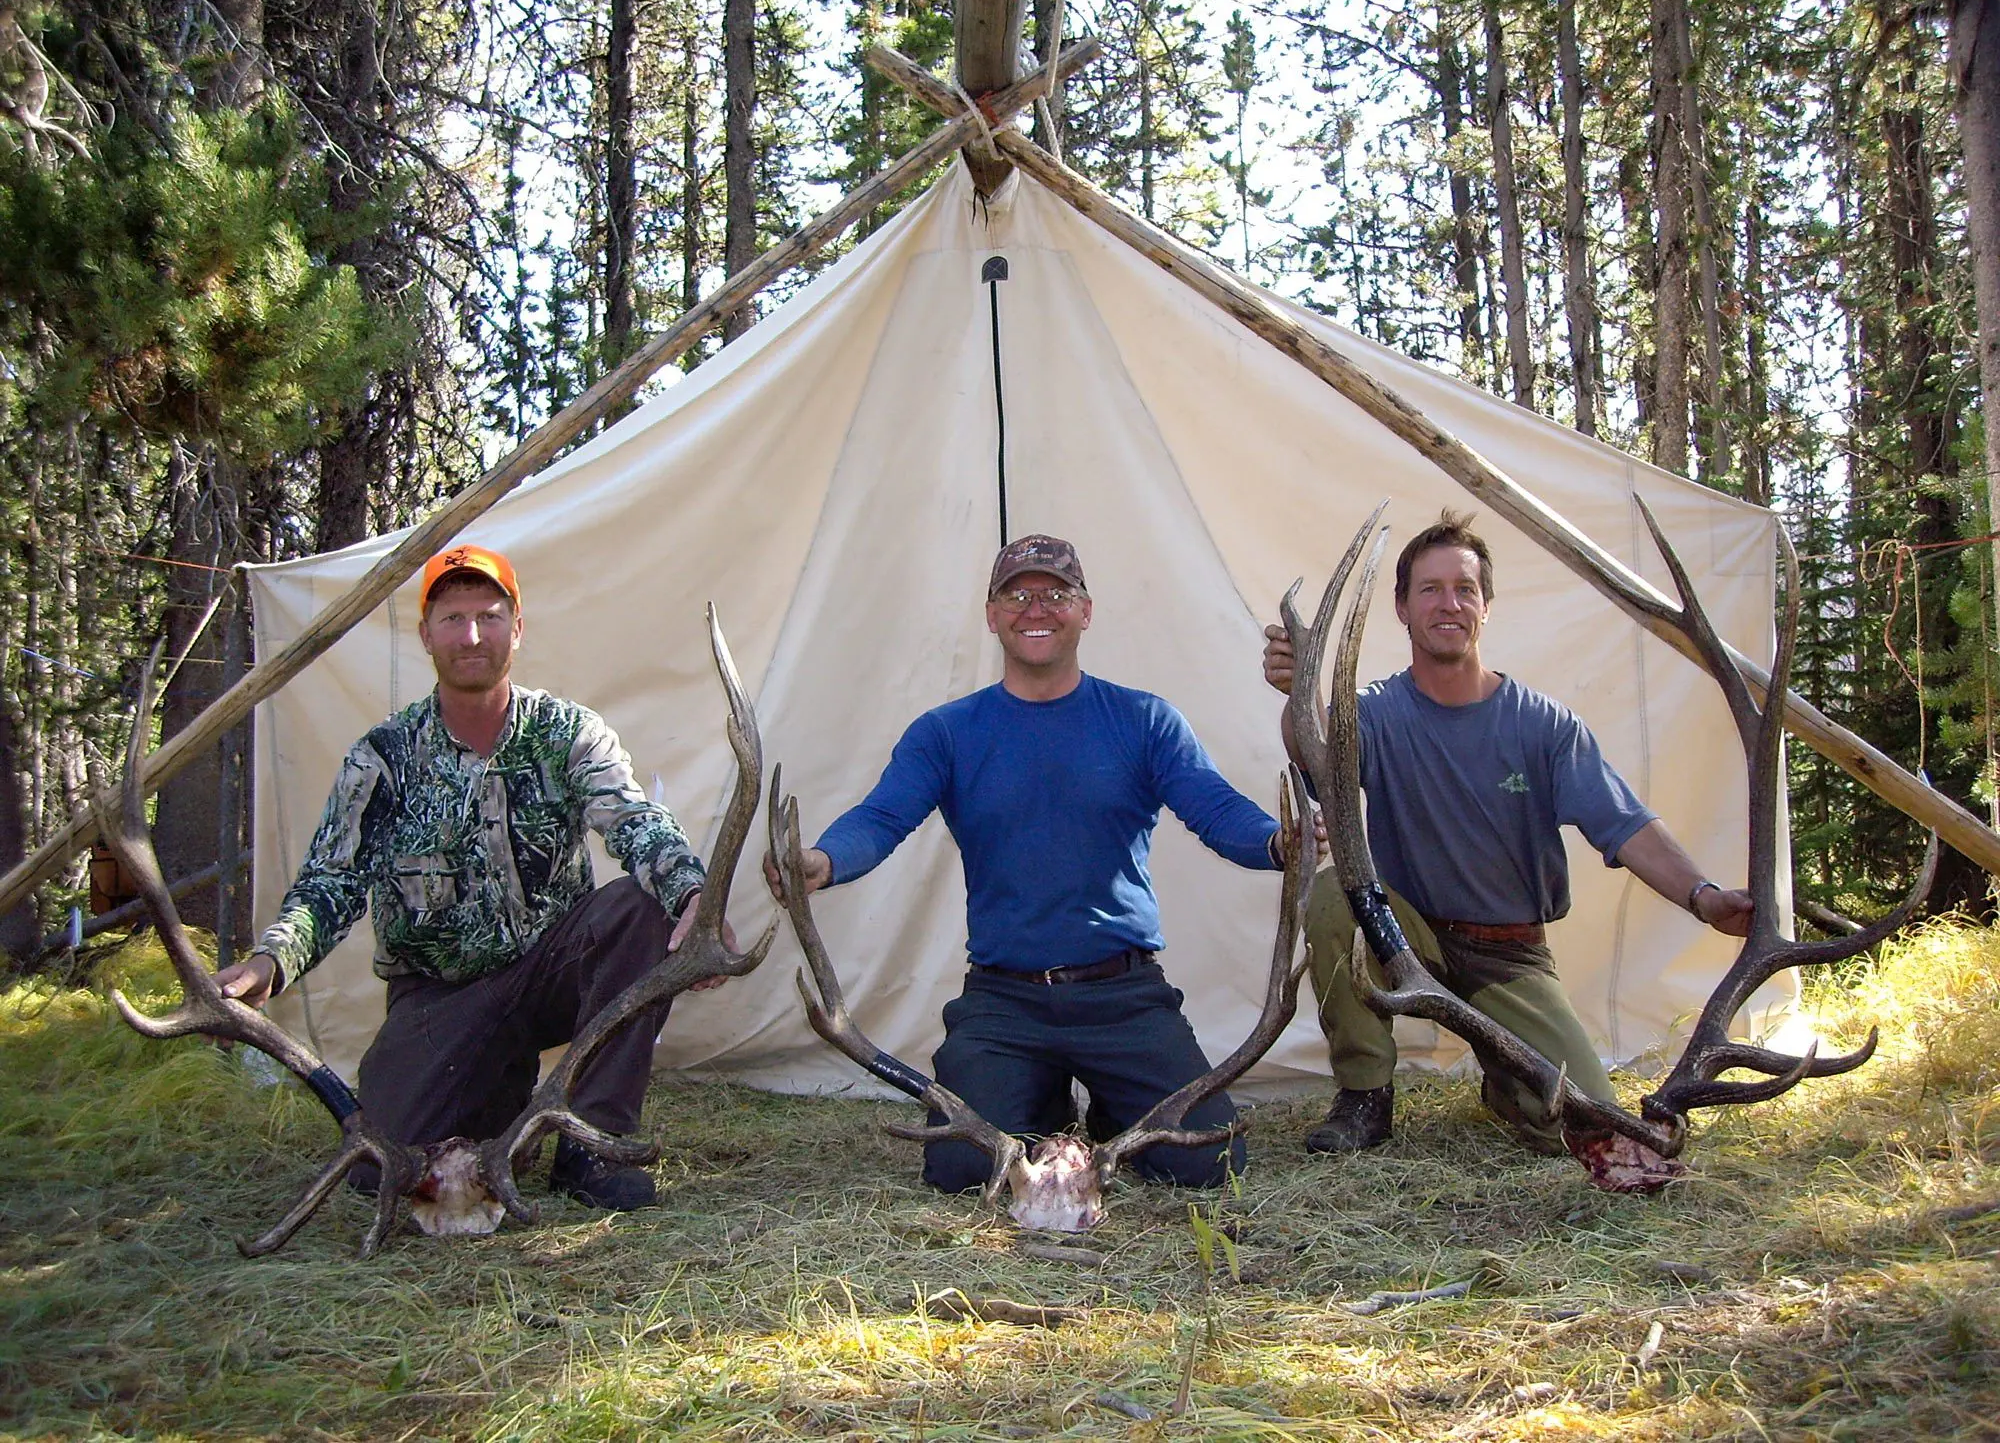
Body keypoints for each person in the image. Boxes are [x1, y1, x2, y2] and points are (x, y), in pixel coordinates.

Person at [763, 534, 1293, 1192]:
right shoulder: (947, 733)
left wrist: (1279, 842)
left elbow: (1216, 810)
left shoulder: (1144, 720)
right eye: (1017, 594)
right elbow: (881, 817)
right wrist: (822, 860)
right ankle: (1038, 1105)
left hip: (1123, 998)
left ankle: (1102, 1103)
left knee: (1208, 1166)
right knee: (960, 1171)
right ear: (991, 614)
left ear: (1085, 610)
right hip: (1004, 1002)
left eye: (1055, 594)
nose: (1034, 608)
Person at [211, 544, 734, 1211]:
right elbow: (330, 884)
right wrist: (269, 963)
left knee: (641, 908)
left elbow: (632, 818)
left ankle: (592, 1146)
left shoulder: (567, 732)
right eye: (454, 618)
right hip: (440, 997)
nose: (472, 636)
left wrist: (692, 897)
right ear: (426, 633)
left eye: (489, 617)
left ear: (516, 628)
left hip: (550, 972)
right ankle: (499, 1098)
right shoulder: (383, 759)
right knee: (388, 1173)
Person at [1262, 511, 1753, 1155]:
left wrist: (1704, 897)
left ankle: (1507, 1079)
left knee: (1587, 1123)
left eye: (1465, 589)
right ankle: (1364, 1097)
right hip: (1410, 939)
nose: (1449, 604)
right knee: (1337, 899)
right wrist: (1297, 694)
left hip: (1507, 954)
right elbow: (1317, 756)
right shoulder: (1374, 713)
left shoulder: (1544, 726)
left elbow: (1626, 826)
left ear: (1486, 607)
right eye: (1430, 589)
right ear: (1402, 609)